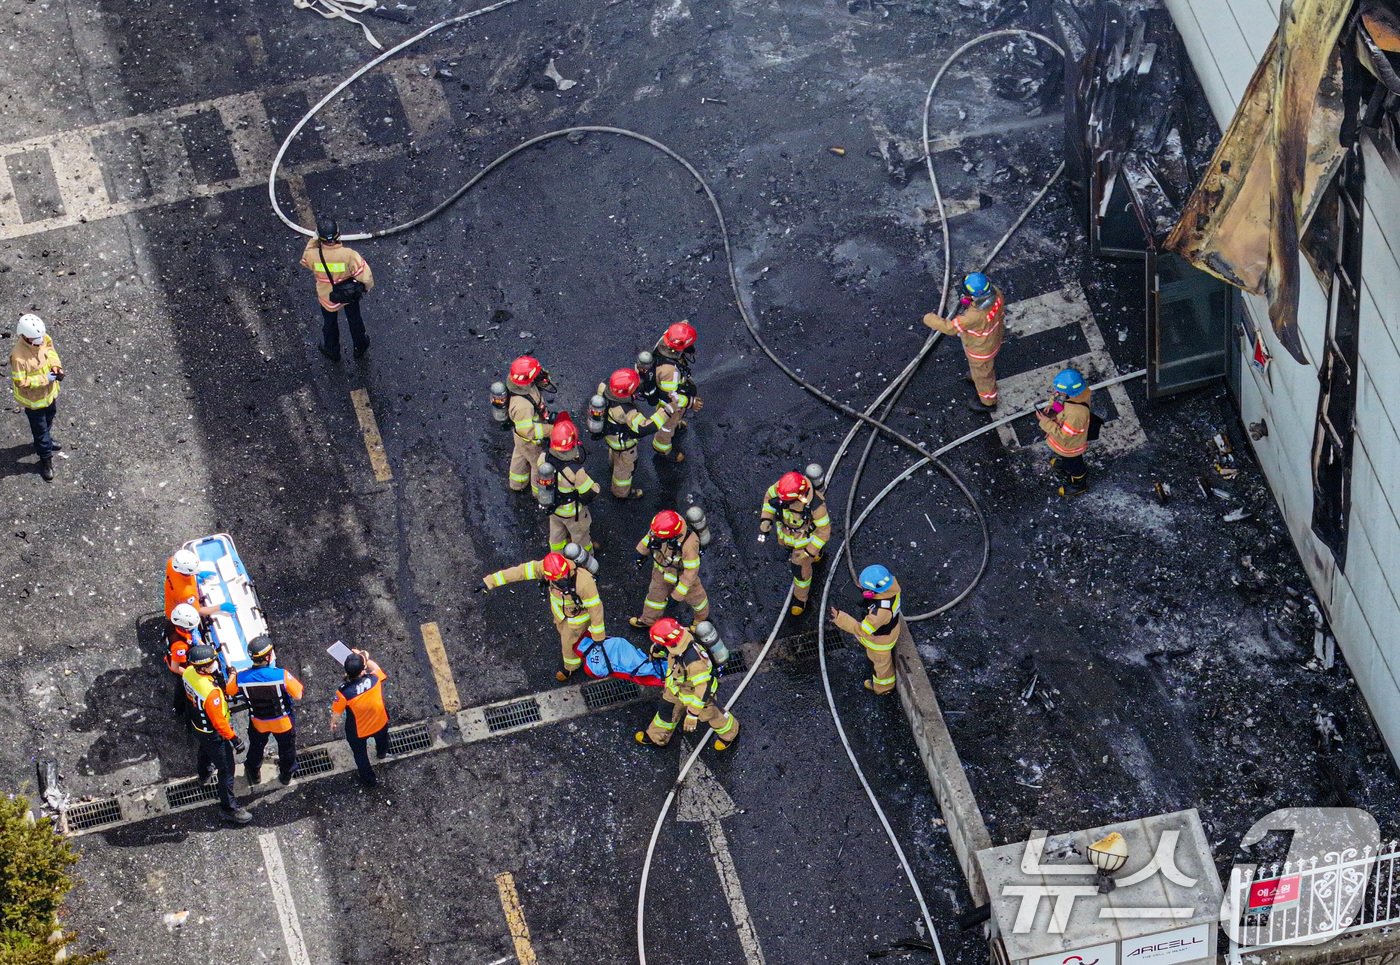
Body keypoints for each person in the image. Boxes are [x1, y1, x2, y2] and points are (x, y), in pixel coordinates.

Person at [481, 551, 604, 682]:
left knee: (568, 643)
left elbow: (596, 609)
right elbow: (519, 572)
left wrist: (599, 636)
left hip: (577, 619)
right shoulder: (544, 568)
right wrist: (489, 582)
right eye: (556, 579)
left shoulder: (584, 583)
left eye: (562, 577)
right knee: (568, 636)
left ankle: (570, 668)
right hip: (561, 615)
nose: (560, 581)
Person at [634, 618, 739, 752]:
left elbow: (703, 687)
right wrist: (658, 649)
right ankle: (657, 736)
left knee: (712, 715)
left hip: (697, 695)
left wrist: (692, 715)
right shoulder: (680, 636)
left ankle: (730, 733)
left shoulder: (693, 661)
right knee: (666, 711)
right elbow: (669, 653)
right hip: (677, 688)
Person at [182, 644, 252, 824]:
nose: (215, 663)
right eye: (213, 661)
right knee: (227, 769)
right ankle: (229, 808)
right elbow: (219, 722)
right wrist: (235, 739)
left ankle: (204, 774)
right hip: (213, 733)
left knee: (204, 751)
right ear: (204, 667)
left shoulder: (189, 672)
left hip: (197, 726)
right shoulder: (211, 693)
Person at [922, 272, 1005, 414]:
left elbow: (950, 328)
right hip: (993, 339)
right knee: (979, 370)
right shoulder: (997, 294)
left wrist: (929, 318)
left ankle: (988, 402)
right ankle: (974, 376)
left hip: (980, 351)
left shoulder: (972, 317)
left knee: (983, 376)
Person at [225, 639, 303, 786]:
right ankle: (286, 776)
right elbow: (298, 695)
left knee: (256, 747)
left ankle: (254, 773)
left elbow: (229, 690)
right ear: (267, 657)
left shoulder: (241, 678)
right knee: (287, 750)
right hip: (282, 723)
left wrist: (233, 674)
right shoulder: (281, 675)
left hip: (258, 722)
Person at [758, 470, 831, 617]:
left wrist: (808, 552)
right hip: (786, 534)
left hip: (804, 545)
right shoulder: (781, 488)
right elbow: (769, 498)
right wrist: (766, 519)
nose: (781, 501)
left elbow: (823, 532)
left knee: (801, 573)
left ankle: (800, 598)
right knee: (799, 552)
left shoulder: (816, 506)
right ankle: (817, 554)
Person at [300, 219, 373, 361]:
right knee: (355, 319)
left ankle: (332, 349)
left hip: (327, 296)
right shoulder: (349, 255)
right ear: (338, 234)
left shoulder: (313, 255)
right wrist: (366, 288)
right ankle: (360, 346)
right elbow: (366, 276)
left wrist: (315, 239)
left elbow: (305, 258)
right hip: (348, 294)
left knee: (330, 323)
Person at [828, 564, 903, 695]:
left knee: (882, 665)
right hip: (890, 629)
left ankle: (884, 688)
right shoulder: (890, 588)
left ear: (871, 592)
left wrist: (840, 618)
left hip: (880, 642)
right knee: (877, 661)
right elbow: (877, 599)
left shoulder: (879, 614)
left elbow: (862, 630)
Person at [629, 510, 710, 629]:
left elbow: (691, 572)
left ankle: (700, 621)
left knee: (697, 599)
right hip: (661, 572)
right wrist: (640, 552)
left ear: (672, 536)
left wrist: (677, 595)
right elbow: (649, 537)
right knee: (654, 598)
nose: (656, 537)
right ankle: (648, 620)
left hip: (682, 576)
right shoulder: (661, 527)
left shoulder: (689, 543)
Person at [598, 368, 669, 500]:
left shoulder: (604, 389)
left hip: (611, 437)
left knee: (615, 456)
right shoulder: (626, 412)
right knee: (625, 469)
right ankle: (621, 492)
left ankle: (612, 466)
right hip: (624, 445)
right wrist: (665, 413)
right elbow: (645, 428)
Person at [9, 313, 64, 481]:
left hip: (49, 395)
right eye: (36, 338)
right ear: (25, 337)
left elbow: (51, 351)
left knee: (49, 418)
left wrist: (56, 367)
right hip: (34, 402)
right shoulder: (18, 357)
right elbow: (20, 381)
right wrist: (44, 379)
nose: (41, 340)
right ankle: (45, 459)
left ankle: (46, 440)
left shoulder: (41, 337)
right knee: (39, 431)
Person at [330, 649, 391, 788]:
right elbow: (376, 668)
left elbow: (336, 714)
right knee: (382, 739)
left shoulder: (343, 692)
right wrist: (365, 657)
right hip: (380, 722)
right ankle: (382, 753)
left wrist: (333, 723)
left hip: (358, 731)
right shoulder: (375, 679)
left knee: (360, 755)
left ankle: (369, 780)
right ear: (363, 671)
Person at [538, 416, 598, 553]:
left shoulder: (543, 458)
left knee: (556, 539)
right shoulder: (576, 472)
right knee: (581, 539)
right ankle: (584, 564)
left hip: (554, 510)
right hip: (573, 514)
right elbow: (592, 492)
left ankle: (557, 560)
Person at [646, 321, 701, 463]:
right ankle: (662, 448)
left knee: (676, 419)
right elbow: (671, 397)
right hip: (669, 406)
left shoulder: (666, 340)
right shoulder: (669, 371)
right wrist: (690, 402)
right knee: (667, 426)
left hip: (676, 399)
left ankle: (676, 423)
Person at [1037, 367, 1094, 497]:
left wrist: (1045, 422)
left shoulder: (1076, 415)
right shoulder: (1079, 394)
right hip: (1066, 446)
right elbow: (1062, 403)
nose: (1056, 393)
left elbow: (1065, 435)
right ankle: (1066, 465)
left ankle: (1079, 484)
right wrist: (1053, 405)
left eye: (1060, 392)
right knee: (1068, 461)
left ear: (1068, 393)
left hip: (1070, 447)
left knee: (1075, 465)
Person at [505, 355, 555, 495]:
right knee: (537, 463)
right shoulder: (523, 406)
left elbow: (539, 385)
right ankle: (537, 493)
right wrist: (551, 430)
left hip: (520, 438)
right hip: (530, 440)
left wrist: (542, 377)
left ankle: (517, 483)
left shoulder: (520, 385)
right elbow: (528, 431)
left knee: (520, 455)